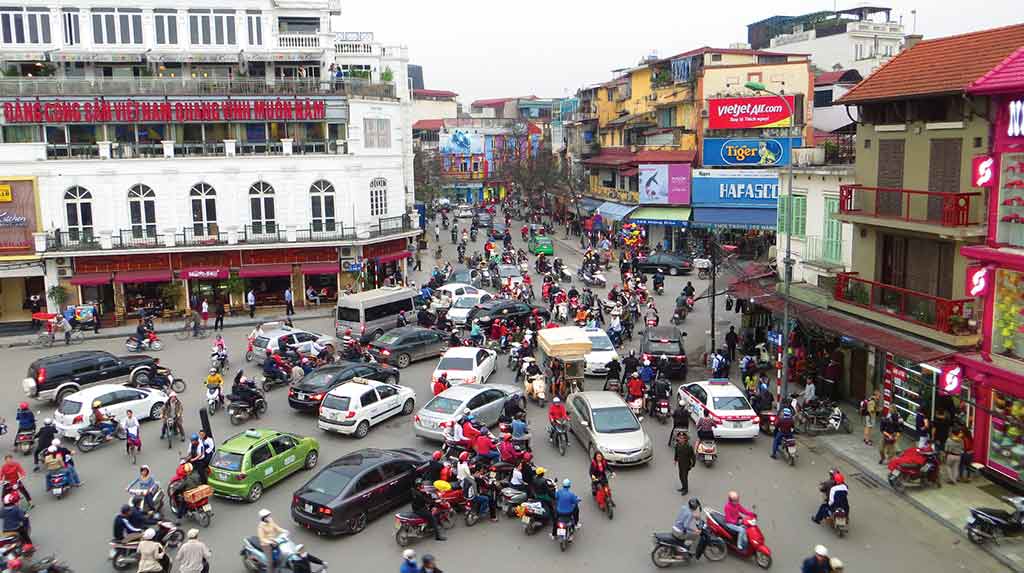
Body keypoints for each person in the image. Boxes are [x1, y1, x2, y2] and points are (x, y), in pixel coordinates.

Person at [258, 508, 286, 573]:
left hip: (274, 541)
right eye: (267, 516)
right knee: (270, 562)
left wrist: (284, 531)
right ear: (263, 518)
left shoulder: (270, 520)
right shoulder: (261, 527)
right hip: (266, 545)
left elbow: (276, 527)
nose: (269, 517)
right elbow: (261, 538)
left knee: (281, 554)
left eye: (269, 515)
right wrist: (269, 542)